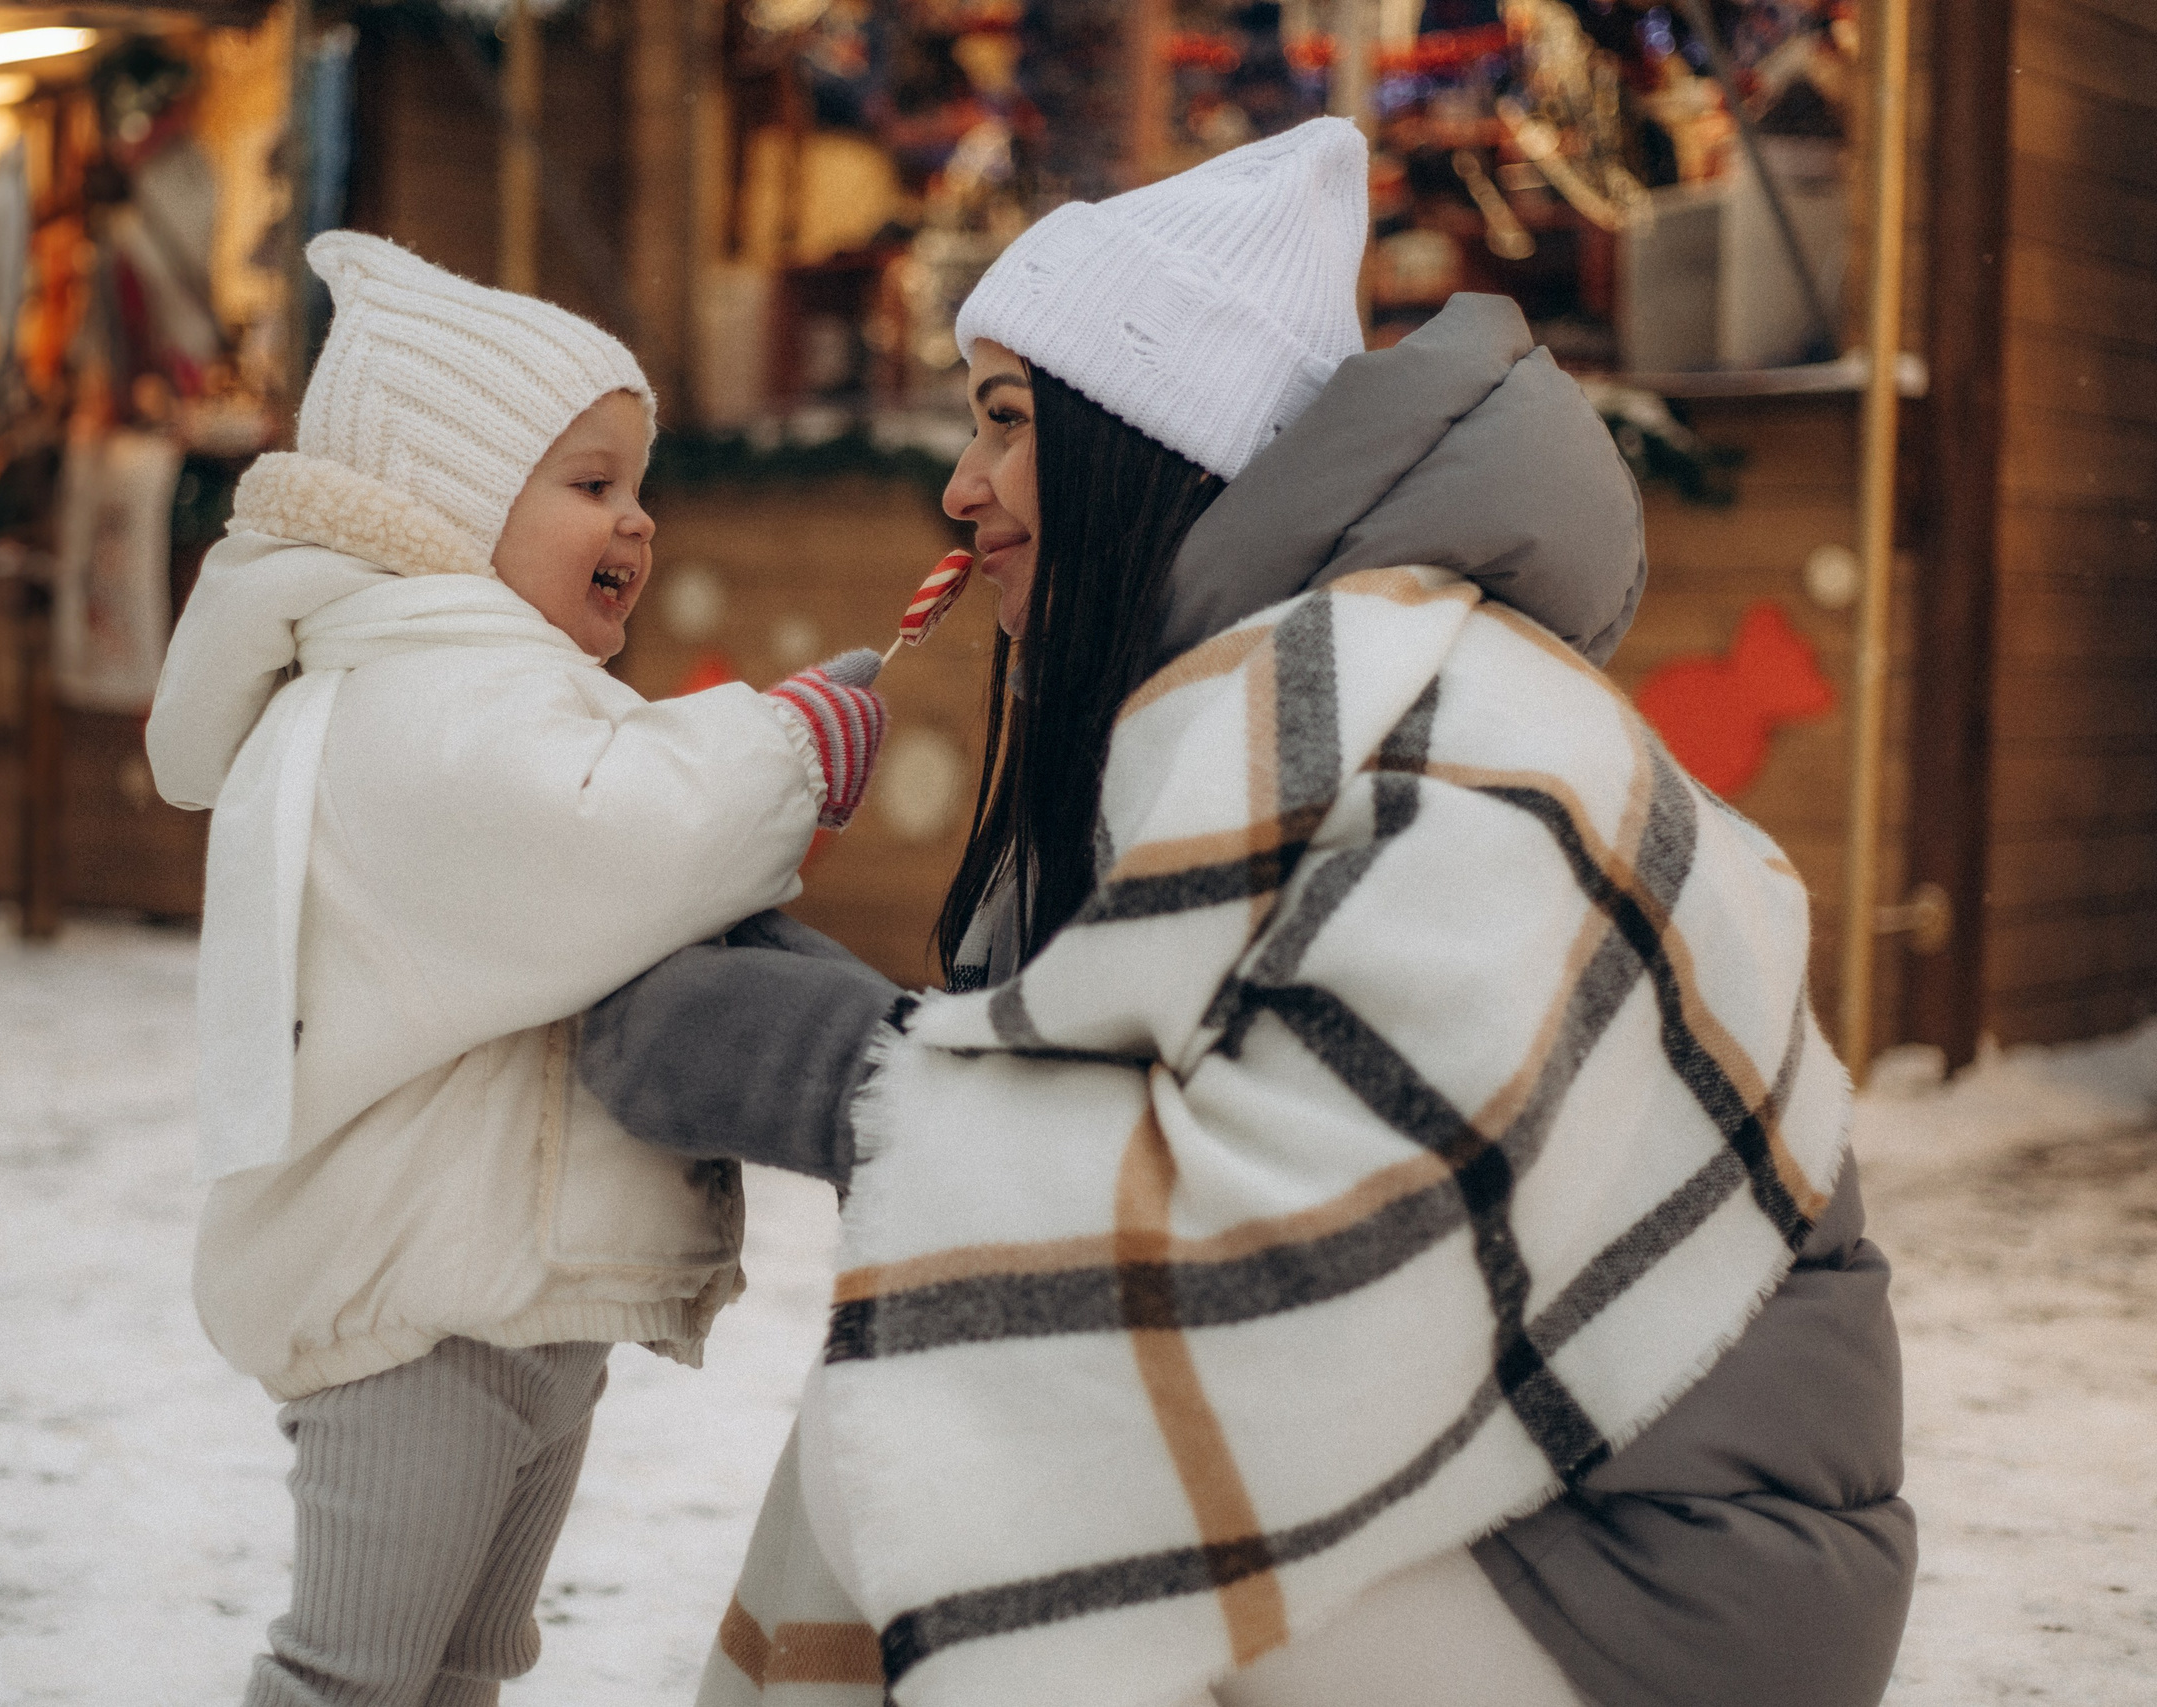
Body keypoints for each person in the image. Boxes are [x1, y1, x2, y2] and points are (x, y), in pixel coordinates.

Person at [581, 119, 1912, 1707]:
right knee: (961, 1402)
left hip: (1664, 1586)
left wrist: (852, 1077)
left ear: (1147, 440)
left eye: (1008, 424)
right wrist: (911, 1045)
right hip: (1528, 1486)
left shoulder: (1423, 709)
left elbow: (1316, 1250)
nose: (963, 486)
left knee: (987, 1442)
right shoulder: (1283, 697)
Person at [144, 231, 890, 1707]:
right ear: (449, 499)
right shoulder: (415, 693)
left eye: (639, 484)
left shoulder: (481, 685)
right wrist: (793, 741)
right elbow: (605, 837)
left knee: (462, 1666)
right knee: (351, 1675)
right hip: (417, 1303)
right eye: (592, 484)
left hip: (512, 1289)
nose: (640, 521)